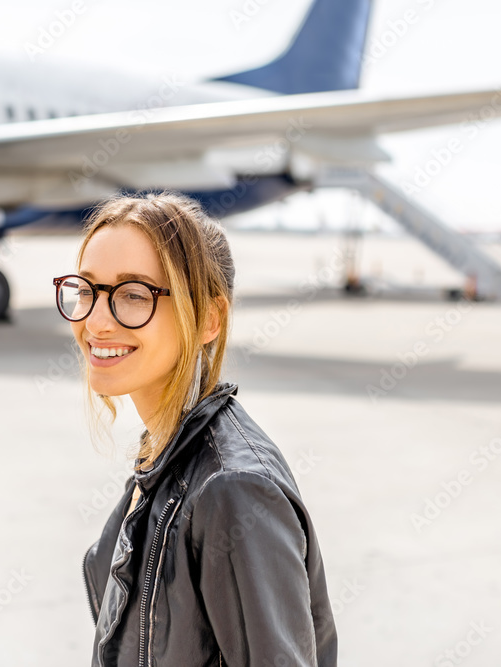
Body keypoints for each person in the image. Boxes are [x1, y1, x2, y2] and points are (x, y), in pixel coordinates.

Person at [53, 191, 337, 666]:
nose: (96, 321)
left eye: (133, 295)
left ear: (208, 318)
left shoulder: (233, 490)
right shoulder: (163, 451)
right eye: (86, 290)